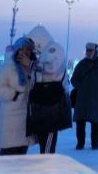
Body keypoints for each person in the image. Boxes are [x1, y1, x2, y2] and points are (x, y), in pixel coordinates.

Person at [26, 25, 70, 154]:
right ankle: (45, 161)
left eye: (32, 42)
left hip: (51, 101)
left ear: (39, 39)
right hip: (44, 100)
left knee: (48, 137)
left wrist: (31, 64)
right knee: (43, 136)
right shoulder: (45, 51)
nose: (32, 46)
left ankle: (47, 163)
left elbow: (51, 68)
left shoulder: (54, 48)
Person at [0, 37, 36, 155]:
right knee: (9, 153)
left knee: (21, 154)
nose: (25, 52)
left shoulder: (33, 67)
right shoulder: (8, 67)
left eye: (28, 50)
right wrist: (14, 95)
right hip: (11, 116)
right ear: (17, 50)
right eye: (22, 49)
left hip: (26, 116)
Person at [71, 42, 98, 150]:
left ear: (96, 51)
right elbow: (73, 80)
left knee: (95, 123)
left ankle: (95, 144)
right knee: (80, 122)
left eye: (90, 50)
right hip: (82, 99)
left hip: (95, 100)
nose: (88, 52)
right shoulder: (81, 64)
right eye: (87, 50)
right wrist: (81, 87)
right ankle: (80, 143)